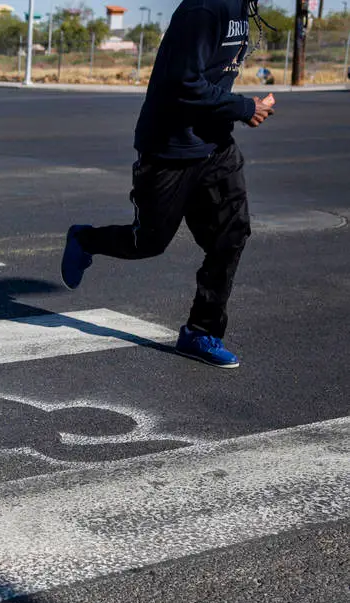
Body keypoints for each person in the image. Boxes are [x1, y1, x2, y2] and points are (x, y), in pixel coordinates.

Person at [61, 0, 276, 369]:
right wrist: (244, 108)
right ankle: (85, 240)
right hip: (169, 149)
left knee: (232, 234)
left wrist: (235, 112)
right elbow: (184, 83)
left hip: (215, 147)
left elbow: (213, 78)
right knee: (148, 242)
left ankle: (200, 330)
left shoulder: (241, 8)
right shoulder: (204, 9)